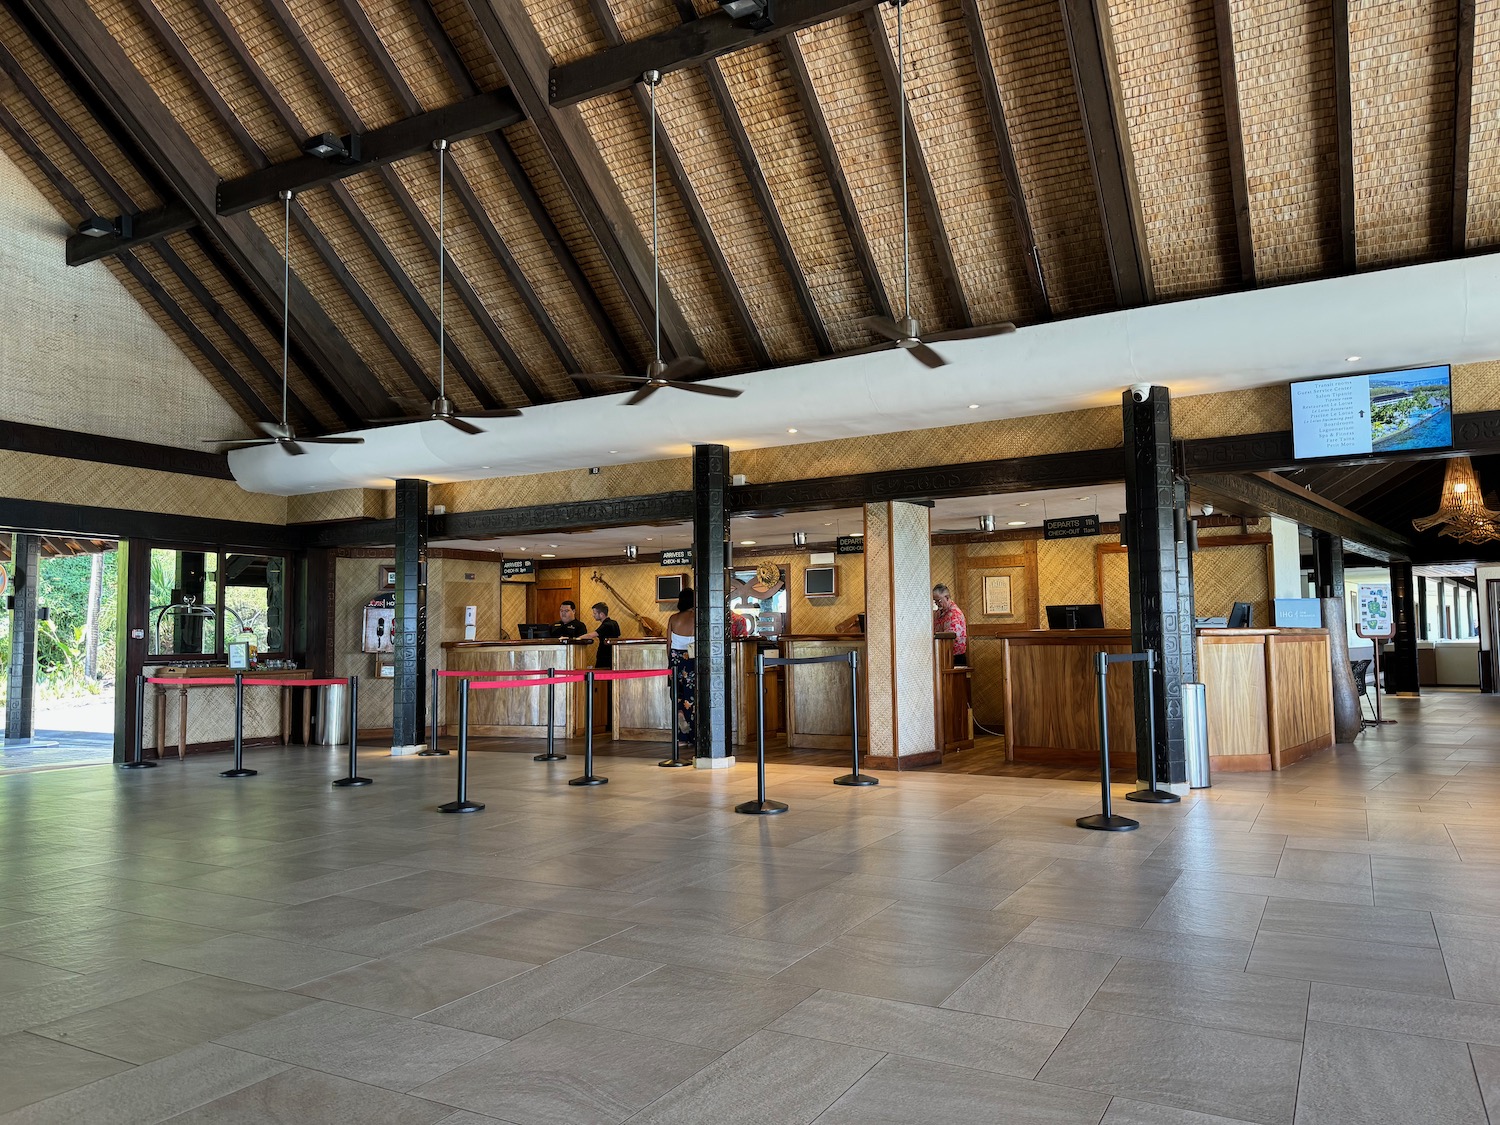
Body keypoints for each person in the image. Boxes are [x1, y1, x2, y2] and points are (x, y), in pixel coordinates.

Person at [667, 588, 695, 747]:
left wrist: (670, 664)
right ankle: (693, 735)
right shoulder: (697, 617)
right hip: (690, 660)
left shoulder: (673, 618)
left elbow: (668, 644)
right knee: (690, 699)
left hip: (675, 661)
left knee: (677, 697)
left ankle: (681, 737)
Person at [933, 583, 968, 667]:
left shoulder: (954, 614)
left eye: (939, 601)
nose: (937, 604)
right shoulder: (938, 612)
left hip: (954, 657)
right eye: (935, 601)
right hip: (942, 656)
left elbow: (950, 639)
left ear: (947, 598)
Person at [578, 602, 622, 669]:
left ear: (601, 614)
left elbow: (591, 635)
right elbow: (618, 637)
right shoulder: (614, 623)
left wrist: (577, 638)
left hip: (605, 655)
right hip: (615, 654)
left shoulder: (606, 625)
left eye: (595, 613)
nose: (593, 615)